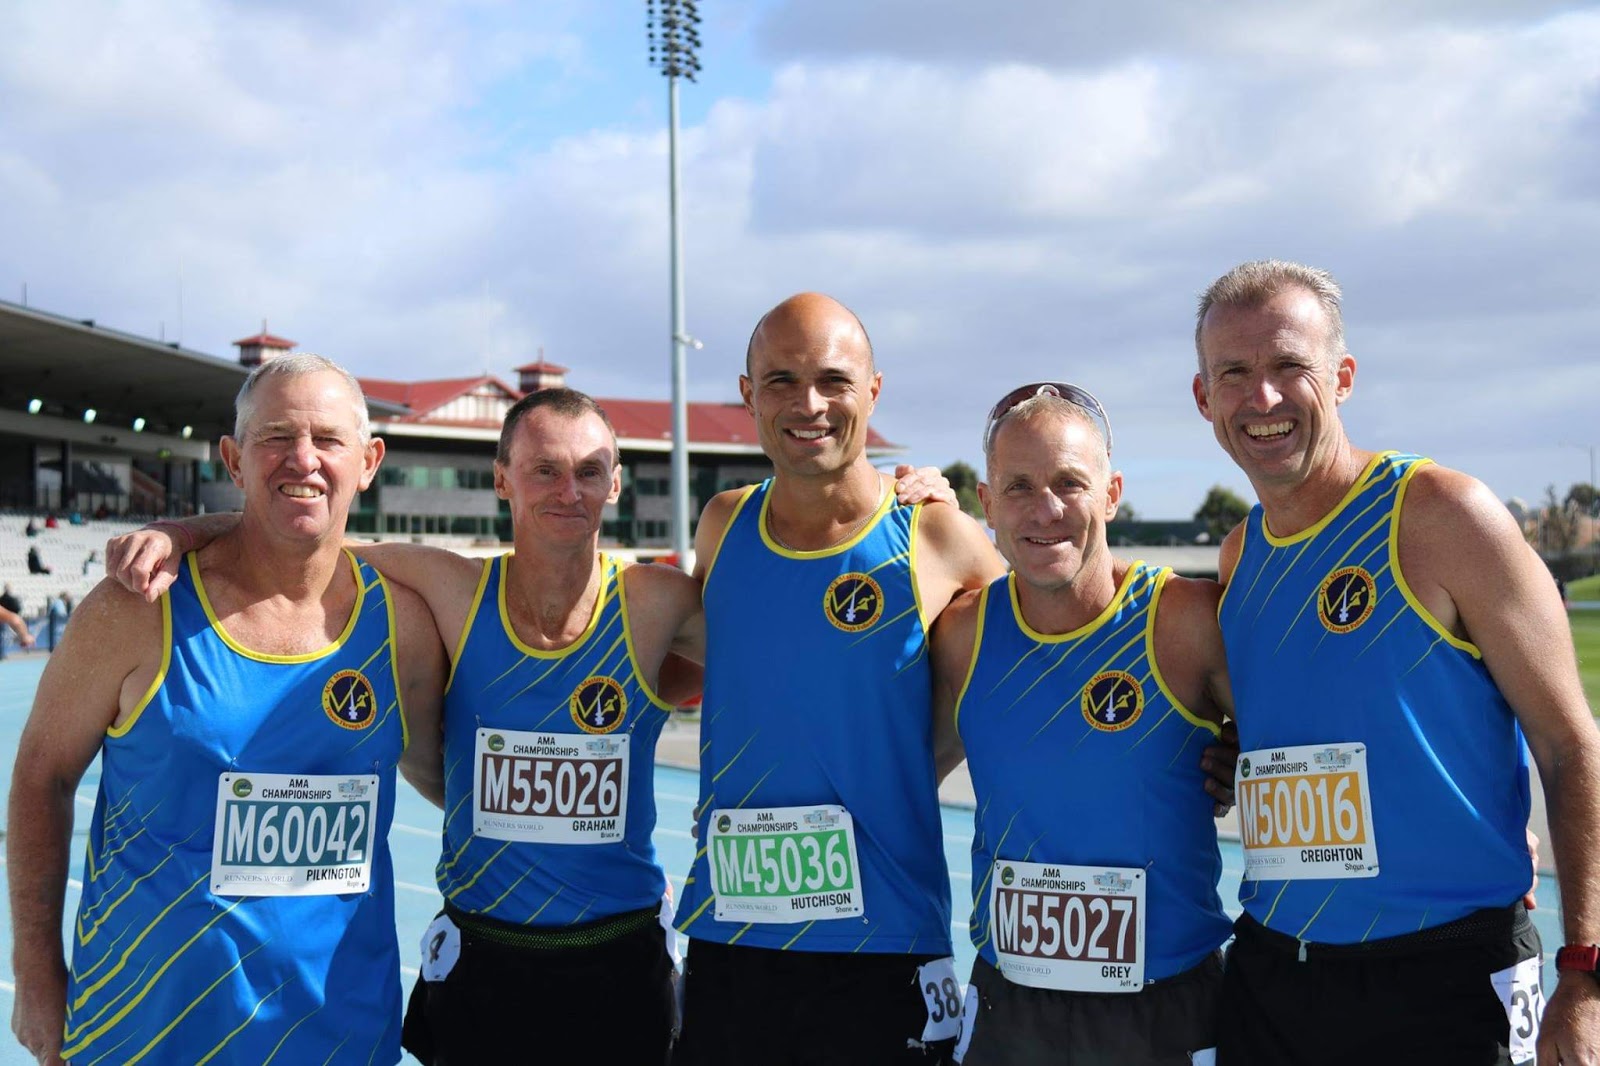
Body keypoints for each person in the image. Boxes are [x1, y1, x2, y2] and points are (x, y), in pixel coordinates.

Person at [105, 385, 957, 1065]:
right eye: (544, 470)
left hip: (619, 965)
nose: (569, 490)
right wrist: (182, 530)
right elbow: (295, 537)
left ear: (616, 484)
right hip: (483, 966)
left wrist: (913, 510)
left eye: (590, 471)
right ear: (502, 480)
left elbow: (817, 626)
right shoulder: (450, 589)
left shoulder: (656, 605)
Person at [1191, 259, 1600, 1064]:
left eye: (1288, 367)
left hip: (1446, 981)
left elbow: (1569, 743)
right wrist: (1242, 755)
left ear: (1340, 378)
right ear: (1205, 397)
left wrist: (1585, 972)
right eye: (1234, 373)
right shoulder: (1240, 557)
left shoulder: (1443, 516)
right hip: (1275, 975)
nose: (1262, 398)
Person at [8, 355, 446, 1065]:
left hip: (339, 1039)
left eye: (328, 440)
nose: (302, 458)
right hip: (143, 1034)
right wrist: (33, 972)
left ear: (369, 461)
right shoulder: (136, 606)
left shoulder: (406, 627)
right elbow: (40, 776)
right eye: (276, 436)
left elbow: (450, 779)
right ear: (234, 460)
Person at [671, 294, 1063, 1065]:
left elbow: (1053, 657)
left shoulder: (937, 535)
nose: (807, 404)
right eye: (780, 381)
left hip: (883, 949)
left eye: (833, 380)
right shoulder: (722, 523)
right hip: (731, 935)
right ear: (748, 396)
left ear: (873, 391)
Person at [929, 383, 1234, 1065]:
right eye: (1019, 487)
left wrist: (1242, 754)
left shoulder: (1186, 623)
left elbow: (1312, 734)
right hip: (1012, 1007)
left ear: (1112, 492)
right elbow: (899, 770)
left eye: (1071, 482)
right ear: (986, 504)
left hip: (1165, 1006)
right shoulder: (962, 635)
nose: (1046, 509)